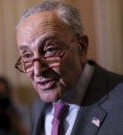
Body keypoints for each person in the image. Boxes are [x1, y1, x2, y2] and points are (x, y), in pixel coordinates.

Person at [15, 1, 123, 135]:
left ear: (81, 47)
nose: (37, 70)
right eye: (27, 55)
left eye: (50, 49)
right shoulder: (37, 106)